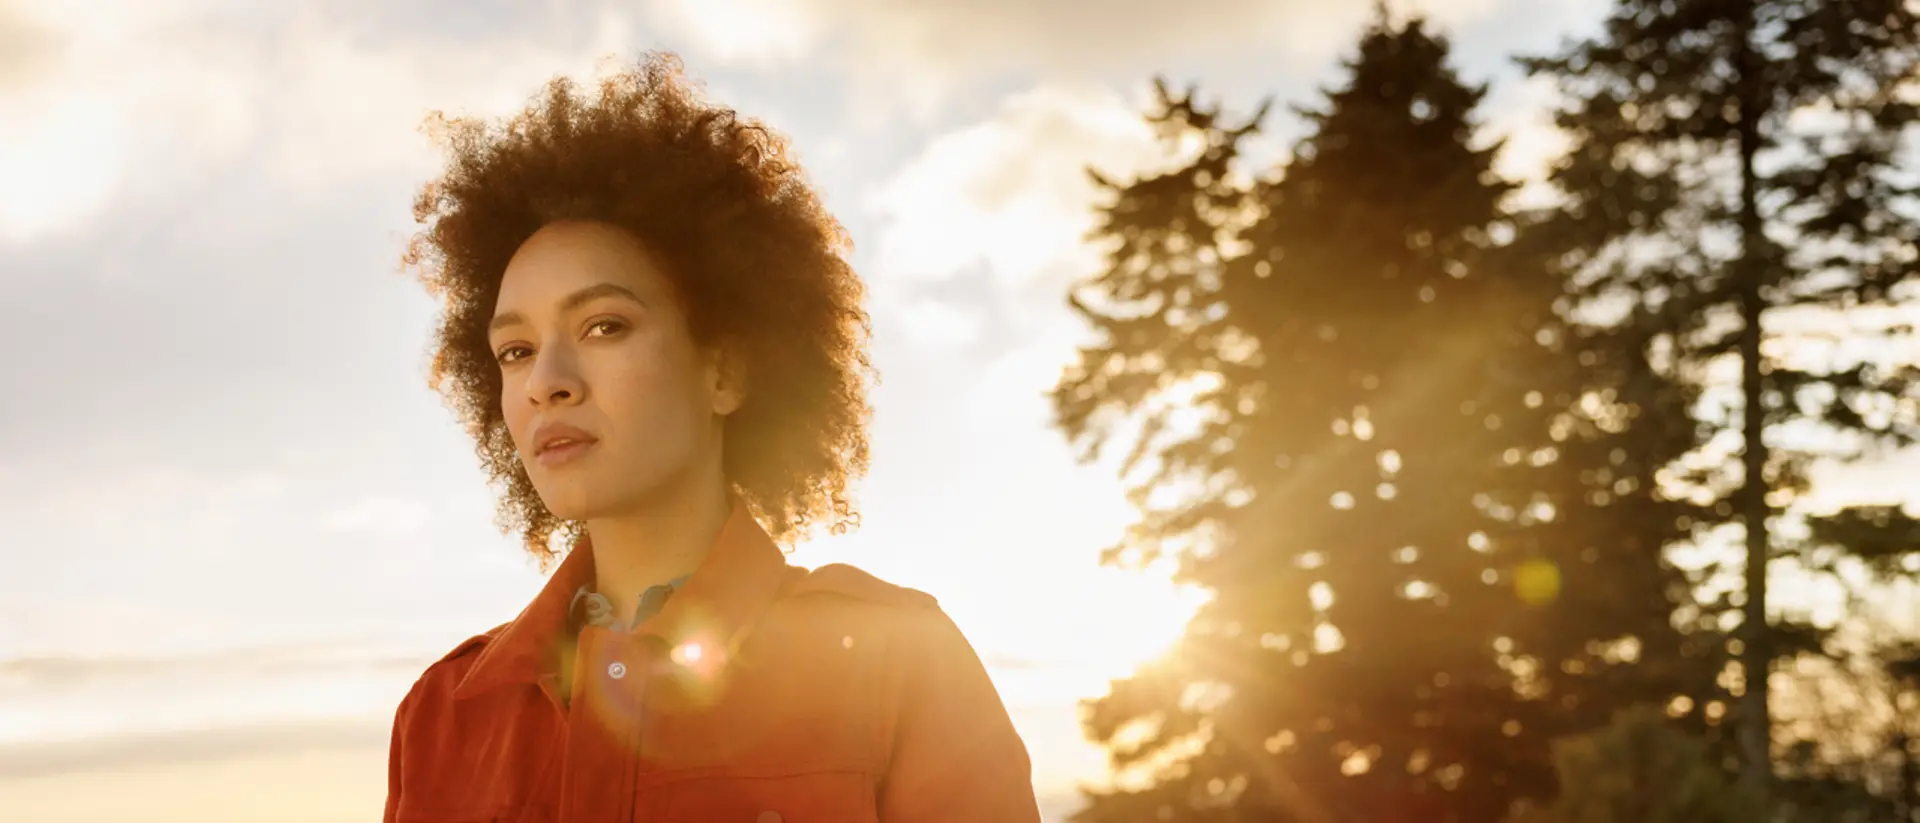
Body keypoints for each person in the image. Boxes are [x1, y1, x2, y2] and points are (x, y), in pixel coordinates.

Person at [384, 53, 1042, 823]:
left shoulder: (897, 662)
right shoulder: (442, 715)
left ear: (724, 371)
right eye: (516, 350)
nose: (546, 381)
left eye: (604, 326)